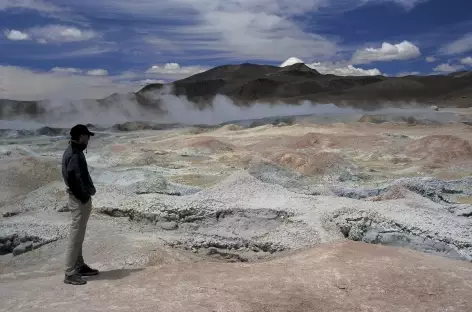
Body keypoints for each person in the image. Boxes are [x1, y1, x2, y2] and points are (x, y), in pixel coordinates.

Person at [61, 124, 99, 285]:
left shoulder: (75, 151)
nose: (89, 139)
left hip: (78, 199)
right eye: (87, 136)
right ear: (81, 136)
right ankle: (69, 272)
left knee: (79, 234)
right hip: (78, 200)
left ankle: (79, 265)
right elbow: (73, 179)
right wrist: (84, 197)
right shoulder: (74, 154)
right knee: (76, 236)